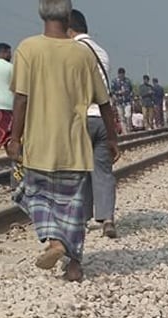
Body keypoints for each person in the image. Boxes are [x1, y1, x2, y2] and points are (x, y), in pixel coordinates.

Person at [9, 0, 118, 281]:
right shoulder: (83, 55)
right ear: (68, 16)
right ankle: (74, 265)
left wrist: (15, 138)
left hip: (39, 145)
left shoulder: (27, 49)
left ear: (41, 13)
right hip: (74, 146)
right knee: (73, 206)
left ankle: (55, 239)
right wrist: (112, 138)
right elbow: (104, 103)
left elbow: (21, 98)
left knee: (36, 195)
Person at [68, 8, 119, 238]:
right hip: (102, 118)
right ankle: (107, 219)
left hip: (80, 118)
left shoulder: (72, 51)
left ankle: (81, 218)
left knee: (80, 171)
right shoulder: (102, 52)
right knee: (103, 171)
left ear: (69, 29)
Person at [111, 67, 133, 133]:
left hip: (127, 101)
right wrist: (118, 93)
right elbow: (112, 92)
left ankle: (129, 128)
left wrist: (131, 97)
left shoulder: (128, 81)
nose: (121, 75)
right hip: (119, 102)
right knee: (121, 117)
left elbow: (131, 90)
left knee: (128, 115)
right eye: (120, 74)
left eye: (122, 74)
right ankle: (125, 131)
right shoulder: (114, 81)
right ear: (118, 74)